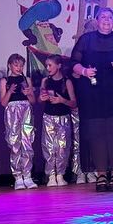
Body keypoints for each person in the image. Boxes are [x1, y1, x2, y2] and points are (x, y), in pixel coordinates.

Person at [71, 7, 113, 192]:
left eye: (110, 17)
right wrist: (84, 71)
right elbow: (73, 63)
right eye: (103, 17)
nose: (107, 20)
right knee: (96, 132)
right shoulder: (86, 40)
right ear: (97, 20)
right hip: (92, 95)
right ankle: (100, 174)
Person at [38, 54, 76, 186]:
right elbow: (40, 99)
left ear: (59, 66)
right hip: (49, 116)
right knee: (49, 147)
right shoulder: (45, 81)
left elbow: (73, 103)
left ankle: (60, 174)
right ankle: (51, 175)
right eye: (46, 65)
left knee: (62, 147)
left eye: (50, 65)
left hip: (63, 117)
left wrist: (61, 100)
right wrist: (42, 98)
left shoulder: (67, 81)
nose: (48, 68)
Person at [0, 53, 35, 189]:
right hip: (12, 112)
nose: (19, 68)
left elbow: (33, 101)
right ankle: (18, 177)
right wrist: (9, 91)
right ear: (9, 65)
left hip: (26, 111)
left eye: (21, 65)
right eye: (16, 65)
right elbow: (3, 103)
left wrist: (29, 94)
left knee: (27, 143)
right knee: (14, 144)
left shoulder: (26, 79)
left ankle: (28, 175)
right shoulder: (5, 81)